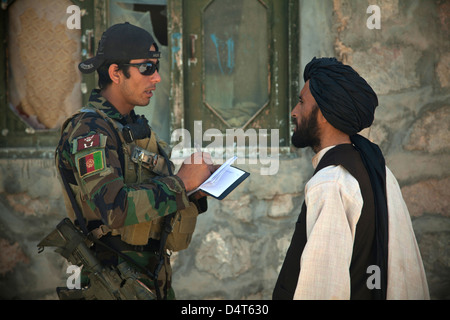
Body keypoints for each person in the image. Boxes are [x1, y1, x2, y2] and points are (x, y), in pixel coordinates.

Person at [55, 22, 218, 300]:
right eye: (147, 68)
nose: (156, 78)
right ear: (116, 72)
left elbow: (151, 201)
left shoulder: (132, 127)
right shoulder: (90, 130)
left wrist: (192, 191)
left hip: (149, 279)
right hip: (111, 282)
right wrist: (181, 182)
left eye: (156, 67)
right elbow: (114, 209)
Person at [273, 57, 429, 300]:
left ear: (324, 114)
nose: (294, 111)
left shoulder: (330, 184)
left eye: (302, 102)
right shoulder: (381, 172)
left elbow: (322, 287)